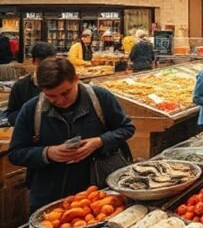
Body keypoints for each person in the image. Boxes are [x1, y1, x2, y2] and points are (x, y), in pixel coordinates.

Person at [8, 57, 135, 212]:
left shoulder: (100, 98)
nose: (60, 100)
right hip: (49, 198)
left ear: (76, 79)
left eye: (65, 92)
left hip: (98, 196)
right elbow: (15, 153)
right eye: (51, 96)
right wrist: (47, 153)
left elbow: (126, 128)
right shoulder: (31, 110)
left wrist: (99, 141)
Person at [5, 42, 56, 125]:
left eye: (51, 63)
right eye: (42, 63)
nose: (47, 67)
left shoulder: (61, 82)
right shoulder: (21, 86)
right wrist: (30, 121)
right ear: (34, 62)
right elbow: (11, 114)